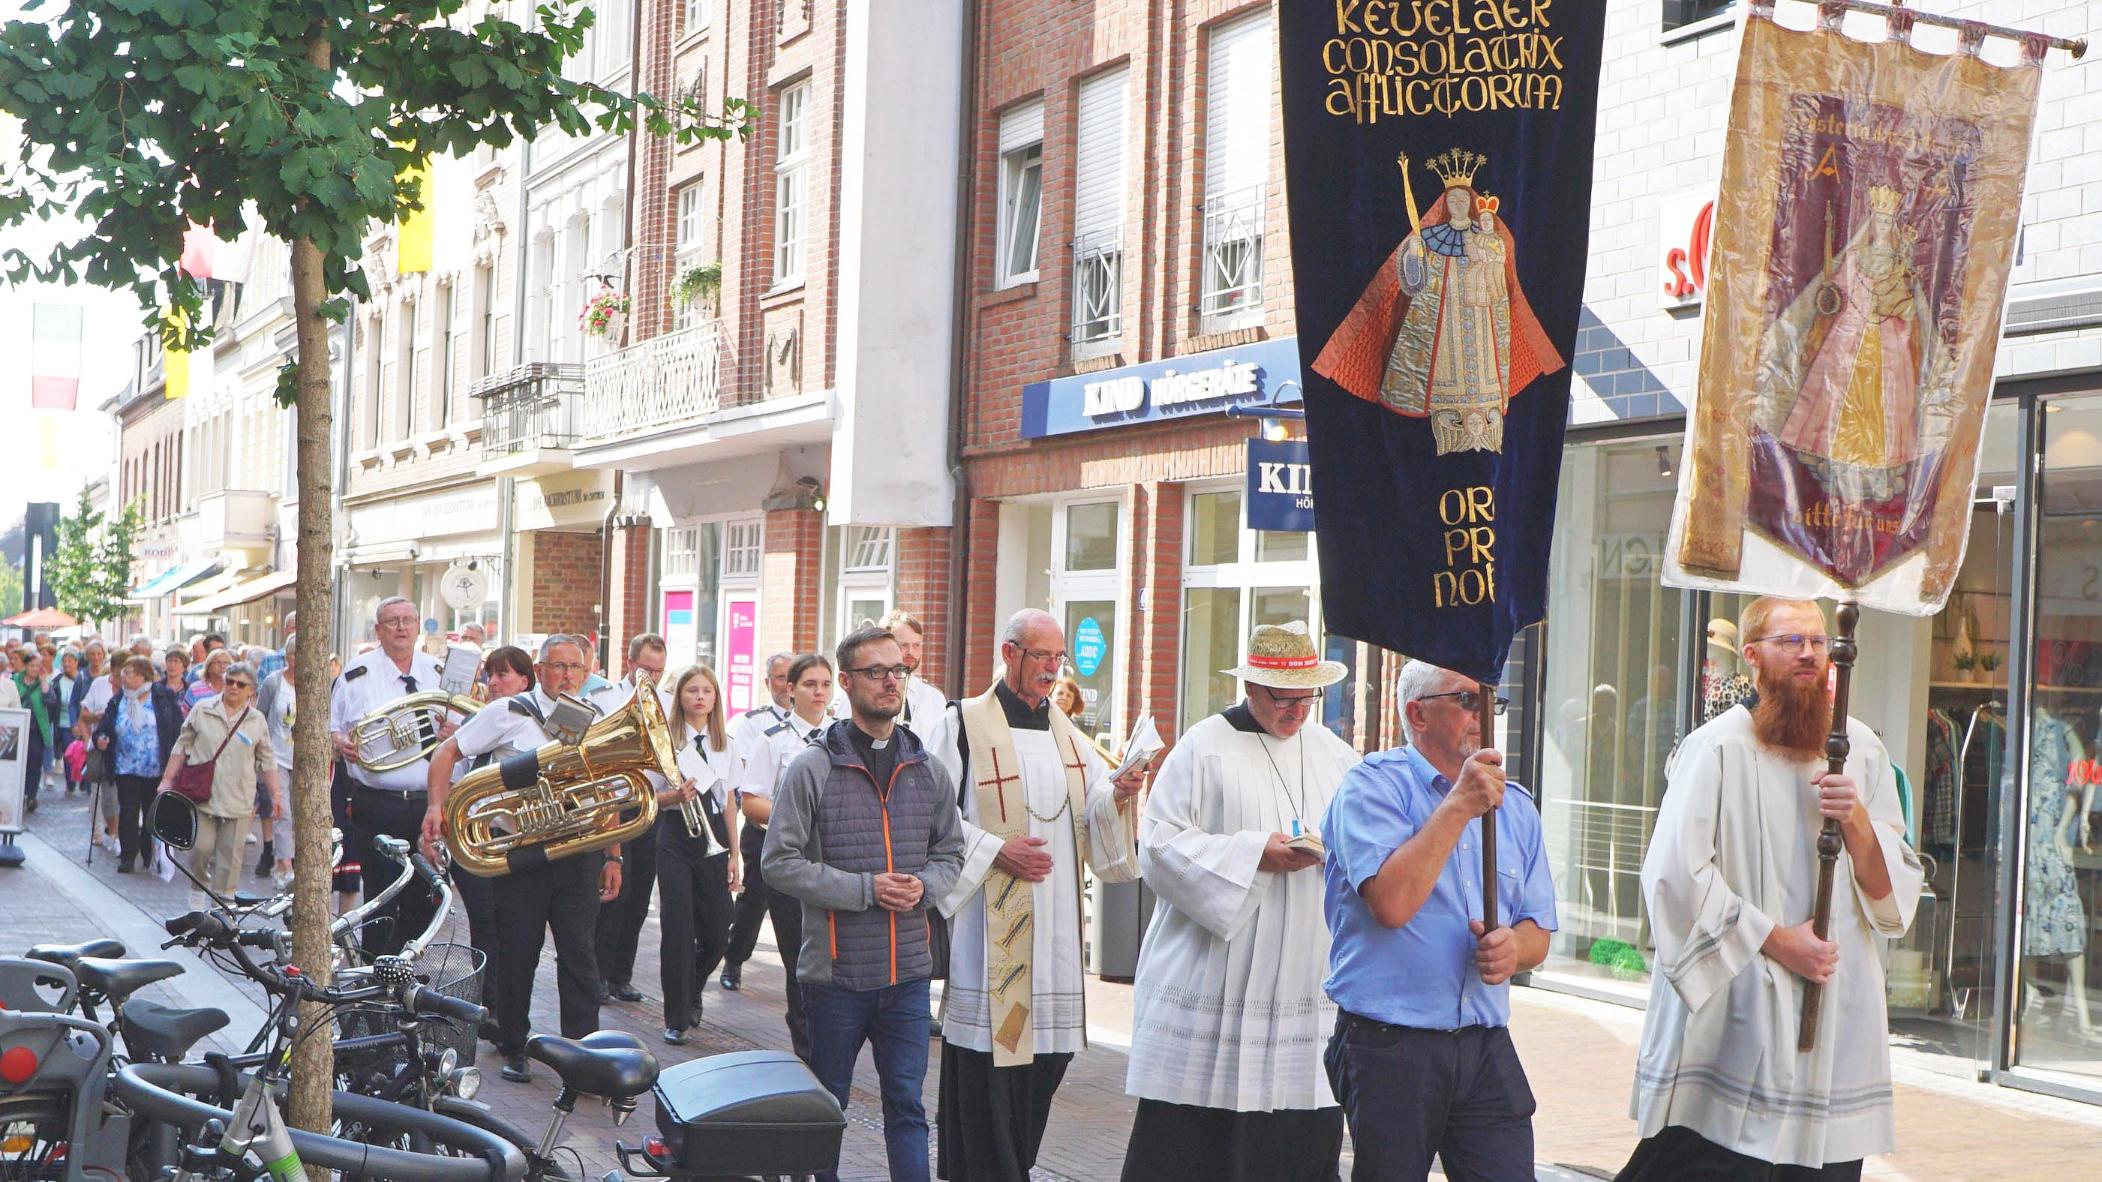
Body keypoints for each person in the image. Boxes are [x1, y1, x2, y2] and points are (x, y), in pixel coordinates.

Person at [1615, 597, 1922, 1182]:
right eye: (1790, 642)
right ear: (1752, 657)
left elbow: (1891, 895)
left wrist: (1854, 819)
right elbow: (1674, 877)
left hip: (1832, 1014)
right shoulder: (1718, 748)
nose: (1808, 653)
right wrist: (1779, 940)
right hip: (1739, 1003)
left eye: (1816, 641)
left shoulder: (1862, 748)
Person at [1122, 622, 1358, 1182]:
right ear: (1251, 687)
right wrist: (1254, 854)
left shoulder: (1337, 755)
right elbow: (1157, 847)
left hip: (1304, 974)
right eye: (1284, 699)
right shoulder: (1202, 748)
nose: (1298, 712)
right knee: (1196, 1145)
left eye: (1308, 698)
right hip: (1213, 978)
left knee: (1295, 1141)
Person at [927, 608, 1144, 1181]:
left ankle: (1013, 1165)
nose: (1052, 668)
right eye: (1042, 656)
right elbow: (931, 816)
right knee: (990, 1063)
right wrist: (996, 850)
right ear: (1009, 654)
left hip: (1054, 935)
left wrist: (1119, 793)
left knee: (1045, 1058)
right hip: (987, 923)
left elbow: (1093, 810)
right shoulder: (962, 723)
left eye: (1058, 658)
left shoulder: (1065, 730)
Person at [1321, 659, 1558, 1181]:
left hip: (1484, 1042)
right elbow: (1392, 904)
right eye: (1466, 700)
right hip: (1392, 1043)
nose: (1484, 716)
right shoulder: (1371, 788)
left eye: (1490, 701)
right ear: (1418, 715)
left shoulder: (1515, 807)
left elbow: (1538, 930)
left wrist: (1513, 950)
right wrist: (1458, 806)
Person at [766, 624, 967, 1182]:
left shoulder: (927, 769)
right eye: (877, 672)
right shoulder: (814, 767)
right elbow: (777, 863)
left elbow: (952, 852)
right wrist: (864, 889)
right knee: (826, 1109)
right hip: (835, 976)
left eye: (898, 670)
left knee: (908, 1109)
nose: (891, 682)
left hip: (907, 976)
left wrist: (925, 885)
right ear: (847, 683)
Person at [422, 634, 623, 1083]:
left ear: (586, 672)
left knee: (579, 954)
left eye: (575, 667)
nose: (567, 675)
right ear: (540, 668)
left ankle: (582, 1052)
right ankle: (514, 1044)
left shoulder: (598, 720)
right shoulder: (508, 712)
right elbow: (448, 751)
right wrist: (436, 807)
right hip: (521, 852)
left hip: (578, 852)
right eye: (557, 666)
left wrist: (614, 856)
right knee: (518, 953)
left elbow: (606, 791)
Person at [1312, 148, 1562, 456]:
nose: (1457, 205)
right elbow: (1412, 283)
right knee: (1442, 359)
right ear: (1445, 204)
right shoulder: (1430, 236)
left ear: (1471, 204)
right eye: (1452, 200)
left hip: (1479, 308)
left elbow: (1501, 277)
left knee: (1482, 359)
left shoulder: (1487, 235)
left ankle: (1481, 403)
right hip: (1442, 316)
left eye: (1462, 200)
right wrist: (1414, 252)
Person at [332, 596, 457, 956]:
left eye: (408, 620)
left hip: (429, 804)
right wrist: (340, 741)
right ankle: (375, 979)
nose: (401, 628)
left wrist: (454, 732)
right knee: (381, 899)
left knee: (426, 896)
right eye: (392, 621)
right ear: (378, 630)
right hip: (379, 803)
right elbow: (331, 727)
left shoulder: (438, 673)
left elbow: (463, 732)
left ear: (418, 626)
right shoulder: (357, 674)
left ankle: (408, 978)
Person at [737, 652, 836, 1058]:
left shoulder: (842, 737)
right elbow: (751, 801)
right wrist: (796, 819)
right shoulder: (774, 739)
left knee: (833, 956)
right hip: (793, 860)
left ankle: (830, 1040)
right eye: (810, 684)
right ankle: (805, 1047)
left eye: (825, 684)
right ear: (791, 689)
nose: (818, 692)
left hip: (833, 862)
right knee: (799, 955)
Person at [434, 644, 534, 1045]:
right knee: (484, 919)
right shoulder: (471, 723)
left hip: (509, 836)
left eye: (503, 675)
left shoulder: (530, 725)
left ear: (525, 681)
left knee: (504, 922)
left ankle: (497, 1008)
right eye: (489, 676)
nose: (493, 683)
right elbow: (449, 769)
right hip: (472, 834)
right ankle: (486, 1006)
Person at [658, 664, 743, 1044]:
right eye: (692, 690)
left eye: (706, 691)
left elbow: (728, 801)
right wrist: (673, 797)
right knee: (677, 928)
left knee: (718, 928)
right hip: (675, 831)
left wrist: (734, 854)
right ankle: (676, 1016)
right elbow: (646, 796)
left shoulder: (726, 743)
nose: (699, 697)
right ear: (680, 697)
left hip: (713, 835)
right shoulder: (665, 740)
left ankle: (691, 988)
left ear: (715, 699)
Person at [160, 662, 280, 900]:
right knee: (200, 848)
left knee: (230, 856)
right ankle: (197, 894)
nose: (234, 687)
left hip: (238, 798)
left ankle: (222, 904)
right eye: (230, 681)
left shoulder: (256, 720)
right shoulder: (203, 709)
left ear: (251, 691)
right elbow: (182, 745)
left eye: (241, 684)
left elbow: (267, 760)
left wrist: (276, 794)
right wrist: (167, 779)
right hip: (202, 793)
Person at [594, 632, 670, 1004]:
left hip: (649, 805)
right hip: (613, 805)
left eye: (658, 671)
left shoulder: (667, 704)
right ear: (630, 664)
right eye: (645, 669)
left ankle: (621, 975)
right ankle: (598, 972)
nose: (651, 678)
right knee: (613, 894)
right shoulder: (605, 698)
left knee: (639, 895)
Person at [721, 651, 796, 991]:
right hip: (763, 830)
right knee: (753, 902)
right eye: (780, 678)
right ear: (768, 683)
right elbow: (747, 783)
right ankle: (734, 959)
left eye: (792, 677)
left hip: (802, 837)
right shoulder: (750, 724)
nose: (787, 685)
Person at [91, 656, 185, 873]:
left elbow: (177, 728)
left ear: (143, 675)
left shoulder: (162, 696)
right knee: (129, 812)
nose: (124, 676)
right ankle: (127, 856)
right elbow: (103, 728)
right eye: (124, 672)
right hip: (126, 768)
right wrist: (101, 739)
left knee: (152, 812)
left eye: (130, 672)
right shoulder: (117, 701)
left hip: (156, 768)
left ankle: (148, 851)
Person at [254, 641, 301, 883]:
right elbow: (259, 715)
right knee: (282, 810)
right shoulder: (274, 682)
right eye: (292, 653)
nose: (296, 658)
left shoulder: (314, 684)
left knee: (300, 810)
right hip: (276, 755)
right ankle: (284, 865)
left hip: (303, 758)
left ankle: (291, 862)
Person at [16, 650, 57, 810]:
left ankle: (32, 795)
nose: (34, 669)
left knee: (34, 762)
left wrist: (43, 682)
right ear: (25, 666)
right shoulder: (16, 680)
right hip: (18, 728)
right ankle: (21, 792)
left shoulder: (44, 682)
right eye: (32, 665)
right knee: (20, 762)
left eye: (37, 666)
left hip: (36, 729)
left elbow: (51, 701)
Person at [53, 650, 83, 796]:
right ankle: (70, 784)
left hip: (82, 721)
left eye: (70, 661)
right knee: (69, 754)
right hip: (64, 723)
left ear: (76, 663)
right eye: (64, 661)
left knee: (84, 753)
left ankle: (85, 781)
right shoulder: (58, 680)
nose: (66, 664)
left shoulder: (82, 678)